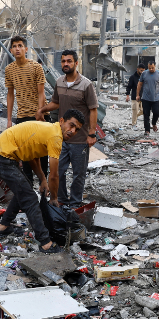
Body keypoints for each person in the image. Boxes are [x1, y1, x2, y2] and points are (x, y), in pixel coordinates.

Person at [0, 109, 85, 253]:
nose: (72, 130)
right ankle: (45, 243)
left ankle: (2, 228)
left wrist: (42, 180)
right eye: (71, 125)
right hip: (1, 156)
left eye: (76, 129)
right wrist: (54, 198)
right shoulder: (55, 137)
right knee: (30, 197)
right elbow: (55, 175)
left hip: (3, 155)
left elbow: (33, 157)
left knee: (23, 191)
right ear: (62, 121)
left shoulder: (51, 131)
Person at [37, 50, 98, 208]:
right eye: (63, 61)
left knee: (79, 174)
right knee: (58, 171)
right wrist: (42, 110)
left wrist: (92, 133)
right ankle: (62, 199)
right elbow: (56, 103)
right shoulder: (59, 82)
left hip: (80, 139)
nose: (66, 64)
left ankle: (75, 203)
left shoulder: (86, 85)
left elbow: (93, 109)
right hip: (61, 138)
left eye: (69, 61)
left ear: (76, 63)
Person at [5, 35, 48, 184]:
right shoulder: (9, 69)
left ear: (26, 49)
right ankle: (29, 189)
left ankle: (44, 187)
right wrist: (9, 120)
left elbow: (41, 92)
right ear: (11, 50)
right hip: (22, 116)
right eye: (15, 46)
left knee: (42, 154)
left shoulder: (36, 67)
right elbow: (10, 95)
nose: (17, 49)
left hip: (40, 115)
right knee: (26, 156)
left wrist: (41, 111)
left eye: (20, 46)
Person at [136, 60, 159, 136]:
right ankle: (147, 130)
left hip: (156, 98)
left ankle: (154, 123)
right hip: (145, 98)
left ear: (155, 66)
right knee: (146, 114)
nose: (151, 69)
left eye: (152, 68)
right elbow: (139, 84)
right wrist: (137, 95)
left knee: (156, 112)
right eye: (149, 68)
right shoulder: (144, 74)